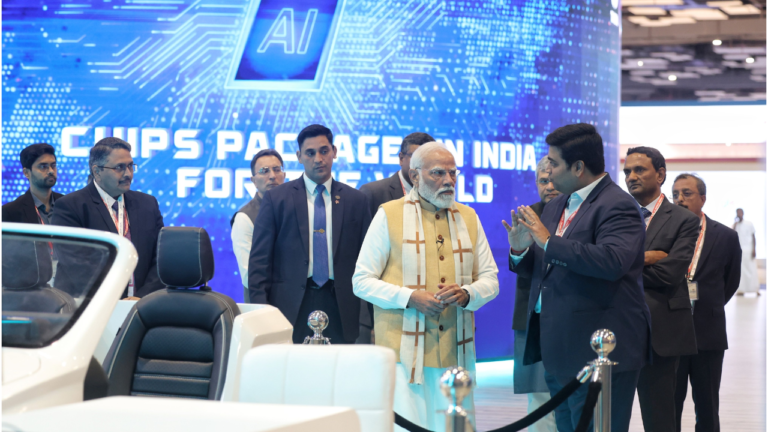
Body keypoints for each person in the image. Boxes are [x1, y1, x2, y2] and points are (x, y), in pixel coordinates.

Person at [504, 123, 651, 432]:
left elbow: (612, 261)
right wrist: (520, 250)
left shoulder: (618, 205)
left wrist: (548, 241)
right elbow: (548, 266)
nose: (548, 171)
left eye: (554, 163)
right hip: (559, 348)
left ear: (579, 167)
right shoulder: (557, 204)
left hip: (599, 350)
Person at [353, 142, 499, 432]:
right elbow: (361, 281)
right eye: (437, 173)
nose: (448, 180)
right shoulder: (389, 214)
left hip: (455, 349)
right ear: (415, 176)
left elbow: (490, 279)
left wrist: (467, 294)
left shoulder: (468, 217)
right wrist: (409, 297)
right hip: (404, 353)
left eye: (452, 173)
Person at [249, 124, 372, 344]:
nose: (318, 159)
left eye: (324, 151)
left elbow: (369, 262)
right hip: (289, 306)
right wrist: (261, 314)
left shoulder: (356, 200)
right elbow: (259, 263)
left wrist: (369, 318)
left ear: (334, 152)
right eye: (310, 153)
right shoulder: (277, 199)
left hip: (342, 305)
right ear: (299, 156)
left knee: (338, 366)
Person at [623, 147, 699, 432]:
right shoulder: (614, 215)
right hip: (616, 326)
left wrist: (620, 266)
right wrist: (645, 257)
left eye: (639, 170)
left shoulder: (684, 220)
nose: (631, 177)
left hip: (661, 331)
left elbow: (669, 274)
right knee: (610, 414)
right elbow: (601, 264)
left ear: (660, 175)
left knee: (659, 419)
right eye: (627, 171)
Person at [52, 137, 165, 299]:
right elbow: (77, 266)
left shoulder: (147, 204)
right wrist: (116, 300)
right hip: (90, 305)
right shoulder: (70, 206)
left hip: (140, 304)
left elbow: (161, 258)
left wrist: (141, 298)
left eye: (130, 166)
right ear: (97, 171)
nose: (128, 174)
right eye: (119, 167)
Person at [672, 174, 741, 432]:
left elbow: (731, 281)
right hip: (671, 334)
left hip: (709, 334)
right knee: (670, 406)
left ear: (703, 198)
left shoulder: (725, 236)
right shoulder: (664, 234)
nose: (680, 199)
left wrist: (710, 306)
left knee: (708, 406)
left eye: (687, 193)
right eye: (675, 194)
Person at [357, 131, 435, 344]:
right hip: (384, 308)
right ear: (401, 158)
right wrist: (368, 322)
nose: (421, 166)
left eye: (428, 161)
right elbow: (361, 261)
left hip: (428, 311)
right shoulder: (373, 193)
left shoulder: (439, 195)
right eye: (415, 158)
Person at [512, 157, 558, 432]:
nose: (549, 186)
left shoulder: (584, 213)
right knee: (540, 400)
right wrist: (517, 251)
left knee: (577, 397)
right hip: (534, 319)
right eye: (543, 181)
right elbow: (522, 268)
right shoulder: (527, 215)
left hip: (571, 318)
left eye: (553, 180)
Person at [230, 149, 286, 302]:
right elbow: (250, 277)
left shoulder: (296, 210)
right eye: (264, 171)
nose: (272, 176)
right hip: (263, 303)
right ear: (253, 180)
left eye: (277, 169)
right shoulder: (244, 217)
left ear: (284, 175)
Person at [3, 143, 64, 225]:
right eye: (43, 166)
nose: (51, 171)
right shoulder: (10, 212)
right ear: (26, 173)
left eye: (53, 165)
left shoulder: (68, 205)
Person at [733, 208, 760, 295]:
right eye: (737, 213)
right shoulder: (736, 225)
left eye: (740, 212)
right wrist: (735, 224)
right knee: (741, 271)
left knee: (752, 269)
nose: (739, 214)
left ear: (743, 213)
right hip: (740, 251)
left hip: (749, 250)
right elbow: (732, 234)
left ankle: (755, 289)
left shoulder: (749, 223)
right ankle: (741, 290)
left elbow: (753, 236)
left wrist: (754, 249)